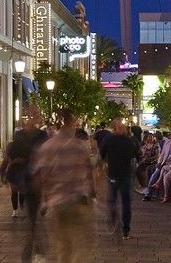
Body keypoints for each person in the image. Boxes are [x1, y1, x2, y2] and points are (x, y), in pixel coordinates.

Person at [34, 111, 95, 263]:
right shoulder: (81, 146)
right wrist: (93, 193)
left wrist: (45, 199)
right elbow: (89, 172)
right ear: (71, 124)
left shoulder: (47, 146)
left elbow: (43, 176)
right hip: (78, 202)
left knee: (63, 246)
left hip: (57, 203)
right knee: (82, 246)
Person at [100, 119, 139, 239]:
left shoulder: (109, 140)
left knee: (112, 200)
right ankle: (125, 230)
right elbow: (136, 155)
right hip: (126, 175)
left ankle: (113, 218)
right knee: (126, 203)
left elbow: (102, 155)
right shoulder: (130, 141)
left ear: (114, 129)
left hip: (113, 175)